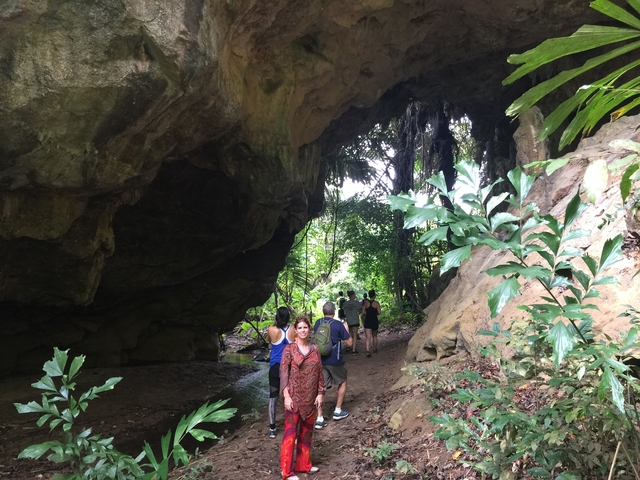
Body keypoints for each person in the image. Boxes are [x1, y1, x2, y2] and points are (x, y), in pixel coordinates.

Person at [280, 316, 324, 480]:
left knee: (307, 433)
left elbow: (320, 372)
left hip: (311, 399)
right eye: (300, 328)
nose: (303, 330)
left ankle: (303, 465)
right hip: (293, 399)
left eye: (305, 327)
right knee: (290, 435)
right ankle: (286, 470)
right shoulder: (289, 350)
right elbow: (283, 374)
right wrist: (286, 396)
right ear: (295, 330)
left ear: (309, 329)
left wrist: (320, 393)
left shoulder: (315, 349)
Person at [313, 301, 352, 429]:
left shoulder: (318, 323)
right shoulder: (338, 325)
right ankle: (338, 410)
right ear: (334, 312)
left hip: (320, 360)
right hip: (335, 361)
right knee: (343, 381)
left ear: (323, 311)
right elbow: (350, 343)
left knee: (321, 388)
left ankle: (319, 418)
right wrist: (346, 329)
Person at [267, 307, 296, 439]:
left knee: (273, 397)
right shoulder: (293, 330)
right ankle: (289, 423)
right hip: (288, 367)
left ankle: (272, 428)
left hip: (274, 367)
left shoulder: (271, 330)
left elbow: (270, 342)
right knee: (289, 395)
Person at [361, 289, 381, 357]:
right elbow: (379, 312)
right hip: (374, 320)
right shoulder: (376, 303)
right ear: (374, 295)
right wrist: (374, 313)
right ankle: (375, 349)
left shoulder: (365, 303)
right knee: (374, 335)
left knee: (368, 337)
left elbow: (363, 312)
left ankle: (367, 351)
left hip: (367, 321)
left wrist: (368, 313)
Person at [342, 290, 362, 355]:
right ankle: (353, 350)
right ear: (353, 295)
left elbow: (344, 313)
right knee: (355, 334)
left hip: (349, 320)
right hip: (355, 320)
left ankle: (349, 346)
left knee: (350, 333)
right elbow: (359, 312)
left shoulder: (345, 303)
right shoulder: (357, 303)